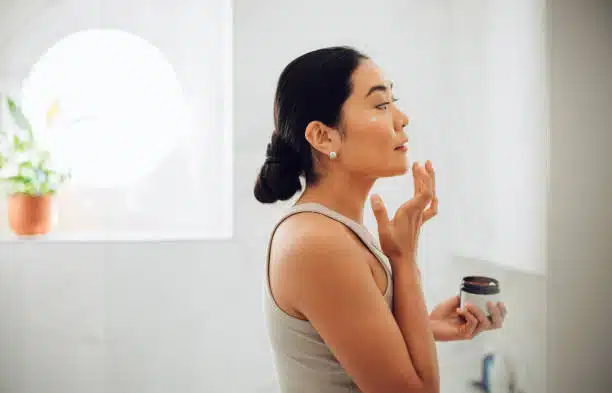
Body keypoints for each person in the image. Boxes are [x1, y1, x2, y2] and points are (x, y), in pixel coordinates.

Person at [254, 46, 507, 393]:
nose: (402, 118)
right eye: (381, 105)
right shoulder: (318, 243)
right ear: (323, 136)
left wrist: (424, 325)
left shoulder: (331, 230)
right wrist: (403, 259)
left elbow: (338, 344)